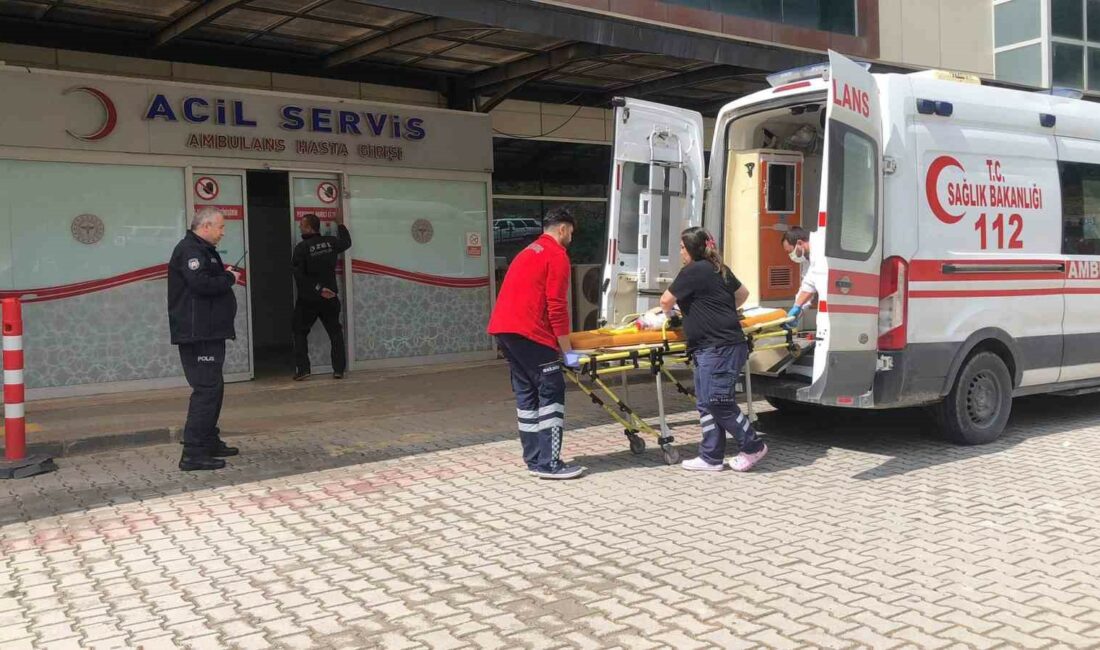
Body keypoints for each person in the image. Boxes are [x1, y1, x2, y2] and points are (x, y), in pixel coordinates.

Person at [487, 208, 586, 480]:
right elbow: (557, 307)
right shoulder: (556, 256)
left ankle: (534, 459)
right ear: (563, 229)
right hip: (531, 332)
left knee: (527, 396)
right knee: (551, 392)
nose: (571, 239)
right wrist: (568, 352)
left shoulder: (527, 251)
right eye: (571, 233)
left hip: (505, 331)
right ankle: (550, 464)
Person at [660, 226, 768, 472]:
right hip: (711, 346)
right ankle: (711, 456)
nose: (680, 252)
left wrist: (674, 314)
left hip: (719, 347)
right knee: (706, 402)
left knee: (717, 401)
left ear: (691, 249)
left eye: (681, 247)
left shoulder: (693, 270)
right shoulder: (719, 268)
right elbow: (742, 294)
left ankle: (753, 446)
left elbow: (666, 300)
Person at [167, 207, 240, 471]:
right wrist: (230, 278)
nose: (223, 233)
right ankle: (193, 453)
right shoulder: (190, 250)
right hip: (198, 333)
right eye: (220, 227)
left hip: (209, 331)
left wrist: (224, 275)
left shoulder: (202, 249)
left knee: (214, 387)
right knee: (206, 390)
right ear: (206, 226)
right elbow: (201, 284)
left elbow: (207, 279)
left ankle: (209, 440)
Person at [292, 212, 352, 381]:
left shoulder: (301, 248)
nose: (299, 227)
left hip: (309, 299)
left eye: (301, 225)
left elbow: (299, 276)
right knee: (335, 332)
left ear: (309, 227)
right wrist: (340, 224)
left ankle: (303, 369)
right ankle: (339, 369)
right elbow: (347, 242)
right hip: (330, 297)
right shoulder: (331, 242)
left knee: (299, 330)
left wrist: (318, 289)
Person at [781, 226, 822, 327]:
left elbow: (810, 285)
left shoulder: (820, 245)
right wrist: (797, 310)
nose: (791, 256)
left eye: (790, 251)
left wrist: (797, 306)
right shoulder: (809, 257)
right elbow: (807, 284)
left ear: (799, 243)